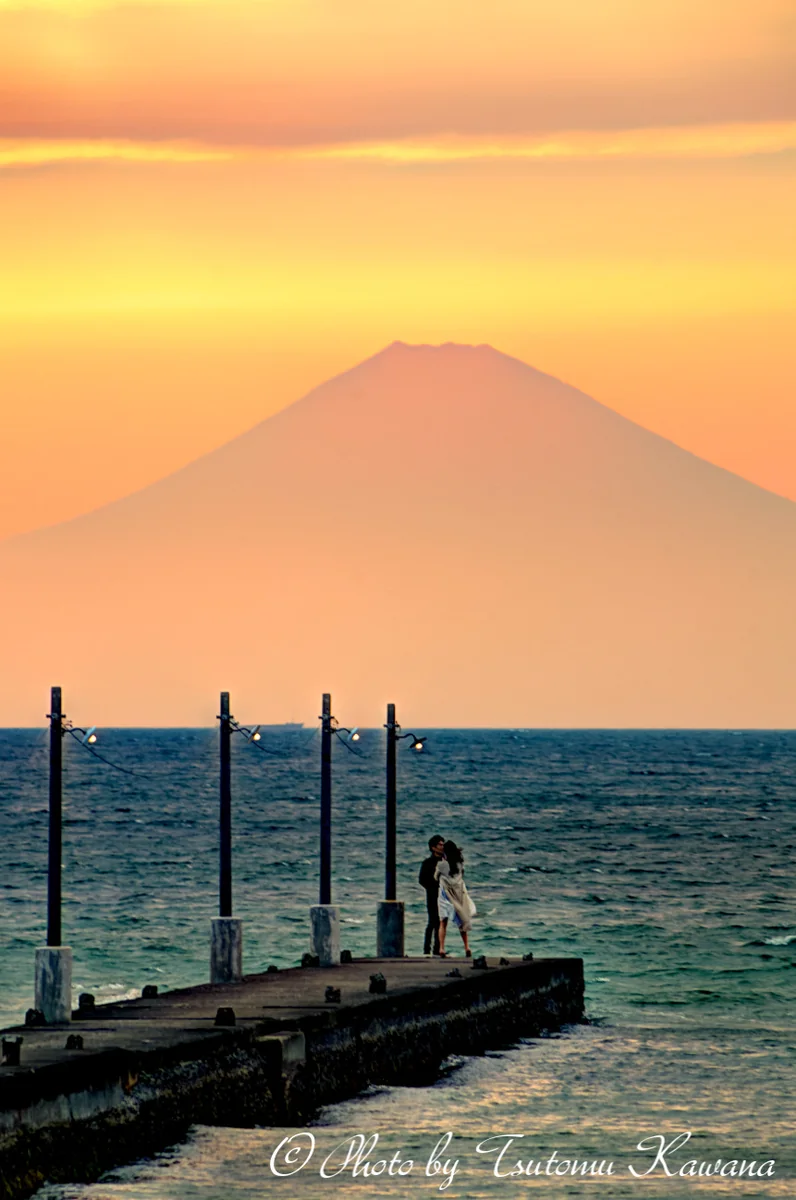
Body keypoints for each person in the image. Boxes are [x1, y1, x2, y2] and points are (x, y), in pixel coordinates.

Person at [436, 839, 475, 957]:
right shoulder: (459, 865)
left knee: (443, 922)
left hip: (445, 896)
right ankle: (467, 947)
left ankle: (442, 948)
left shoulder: (442, 865)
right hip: (458, 895)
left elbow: (435, 877)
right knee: (462, 922)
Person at [419, 835, 445, 955]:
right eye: (440, 844)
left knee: (442, 922)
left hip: (445, 896)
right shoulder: (428, 863)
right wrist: (432, 887)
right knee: (432, 922)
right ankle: (427, 949)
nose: (442, 846)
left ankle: (438, 949)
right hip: (432, 895)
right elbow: (422, 880)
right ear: (433, 847)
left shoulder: (446, 862)